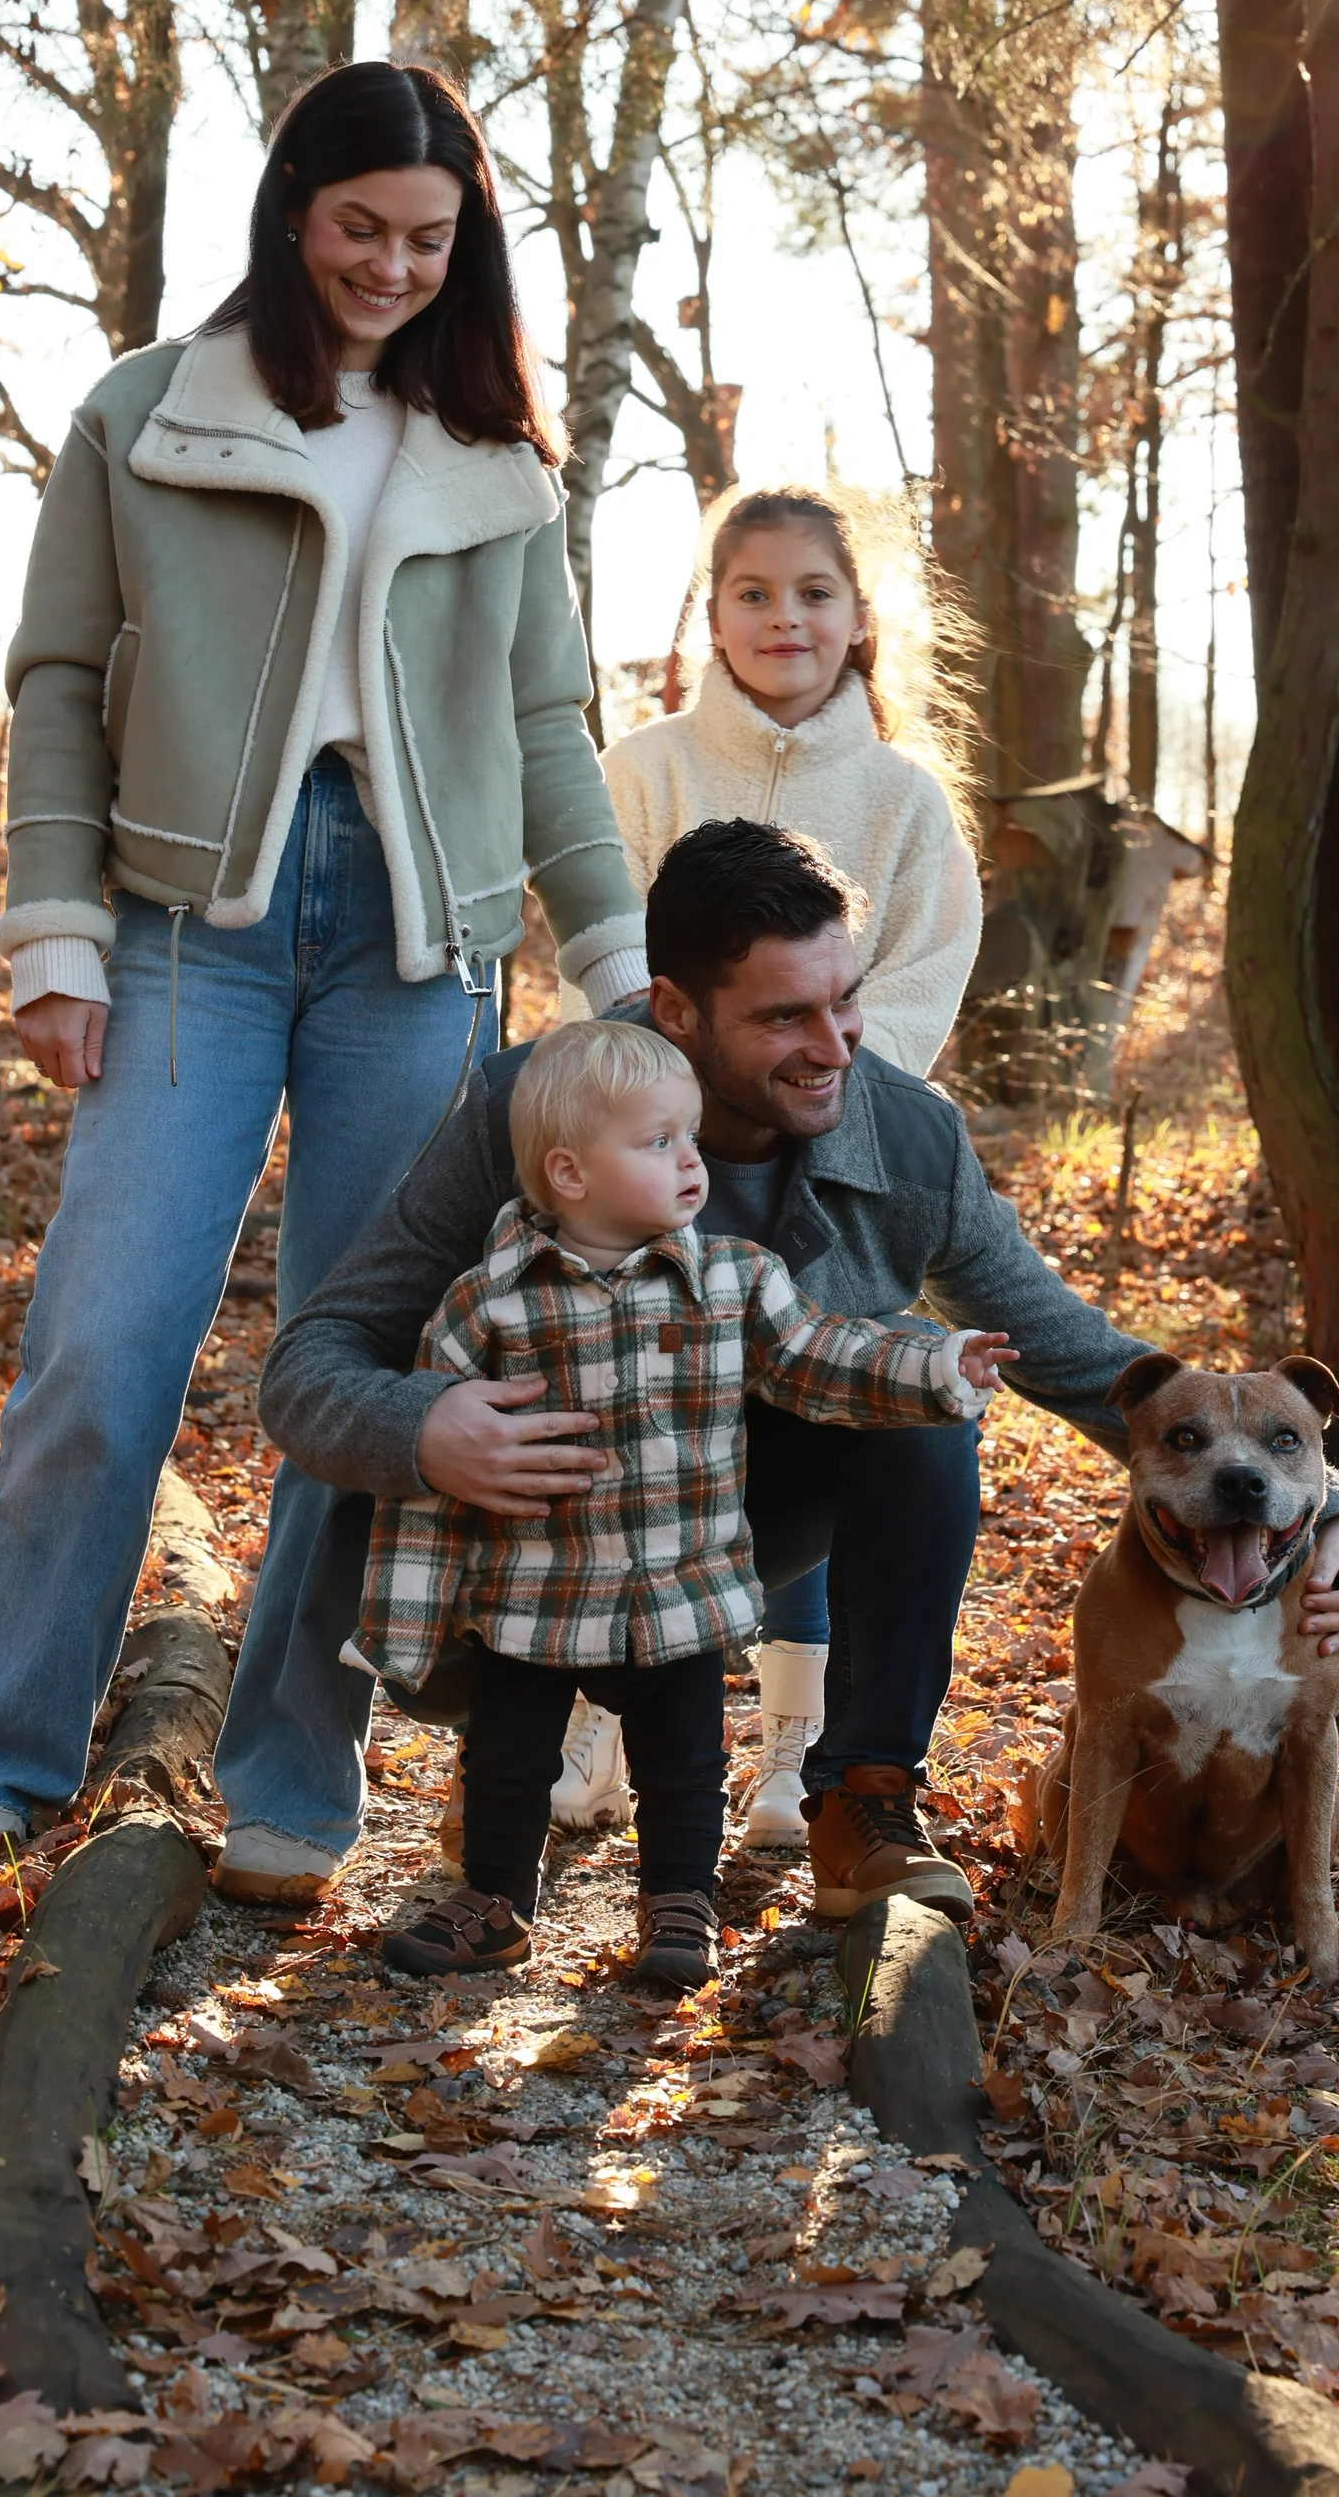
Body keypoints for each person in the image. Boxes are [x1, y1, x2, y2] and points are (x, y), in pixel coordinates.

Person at [0, 61, 646, 1896]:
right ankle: (6, 1755)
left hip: (420, 952)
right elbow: (61, 682)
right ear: (292, 207)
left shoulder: (496, 462)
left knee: (362, 1361)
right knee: (106, 1342)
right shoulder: (149, 414)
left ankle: (292, 1779)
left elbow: (546, 729)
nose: (393, 266)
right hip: (186, 934)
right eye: (359, 228)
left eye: (431, 238)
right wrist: (54, 931)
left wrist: (616, 959)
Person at [260, 819, 1339, 1925]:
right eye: (783, 1016)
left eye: (843, 999)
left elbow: (1089, 1363)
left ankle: (861, 1798)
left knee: (923, 1393)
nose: (835, 1043)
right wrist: (427, 1427)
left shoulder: (907, 1141)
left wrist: (1330, 1510)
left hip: (730, 1529)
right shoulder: (533, 1108)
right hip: (528, 1538)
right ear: (674, 1012)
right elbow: (311, 1361)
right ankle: (422, 1762)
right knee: (370, 1476)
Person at [354, 1019, 1009, 1982]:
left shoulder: (735, 1281)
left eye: (690, 1136)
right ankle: (494, 1902)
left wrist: (938, 1365)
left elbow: (823, 1357)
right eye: (659, 1142)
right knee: (505, 1757)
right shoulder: (486, 1305)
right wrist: (406, 1628)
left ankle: (677, 1905)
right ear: (571, 1174)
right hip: (532, 1589)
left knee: (684, 1761)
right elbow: (430, 1481)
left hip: (678, 1583)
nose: (693, 1161)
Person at [551, 486, 986, 1849]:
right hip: (652, 1159)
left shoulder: (903, 799)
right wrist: (658, 1111)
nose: (782, 617)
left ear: (859, 619)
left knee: (822, 1395)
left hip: (834, 1162)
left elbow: (920, 974)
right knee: (645, 1416)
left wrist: (824, 1095)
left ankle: (796, 1745)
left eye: (813, 592)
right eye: (751, 592)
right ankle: (598, 1715)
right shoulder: (644, 771)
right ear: (713, 615)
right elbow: (597, 946)